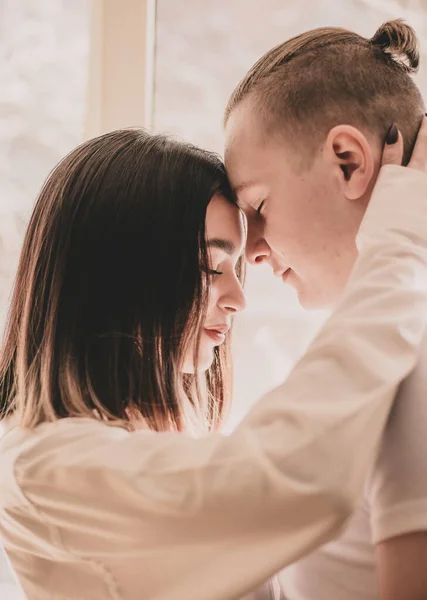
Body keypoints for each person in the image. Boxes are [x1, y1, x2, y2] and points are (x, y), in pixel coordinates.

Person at [0, 127, 425, 600]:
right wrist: (398, 245)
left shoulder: (149, 446)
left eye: (237, 268)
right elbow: (297, 478)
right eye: (209, 267)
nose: (239, 299)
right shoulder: (47, 472)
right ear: (120, 275)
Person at [224, 18, 427, 600]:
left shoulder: (409, 352)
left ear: (347, 161)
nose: (252, 252)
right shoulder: (369, 350)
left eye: (258, 206)